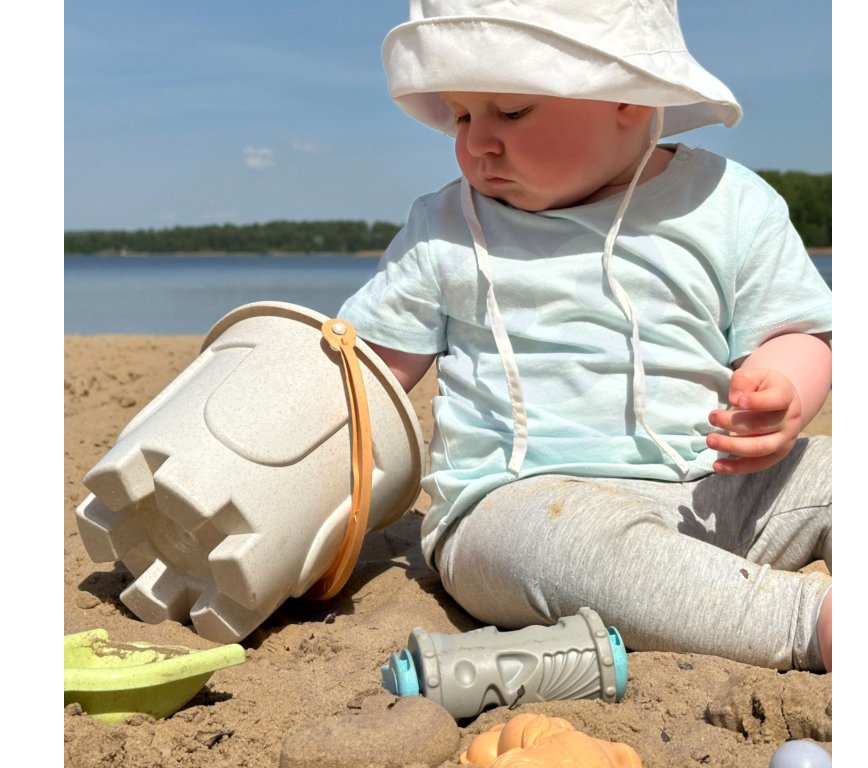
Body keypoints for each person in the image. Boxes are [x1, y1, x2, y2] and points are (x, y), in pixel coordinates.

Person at [339, 0, 832, 672]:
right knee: (554, 545)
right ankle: (806, 620)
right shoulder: (446, 228)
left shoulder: (729, 202)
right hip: (523, 500)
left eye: (511, 112)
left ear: (627, 94)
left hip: (717, 488)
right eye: (461, 116)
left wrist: (785, 392)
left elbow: (797, 332)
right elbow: (363, 377)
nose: (478, 142)